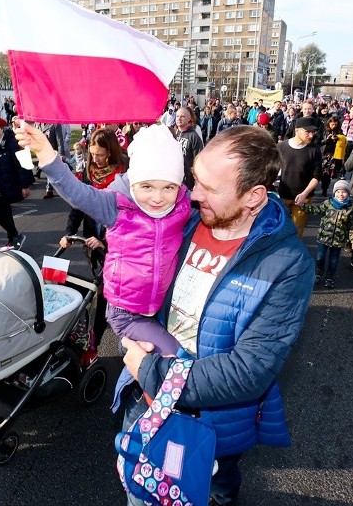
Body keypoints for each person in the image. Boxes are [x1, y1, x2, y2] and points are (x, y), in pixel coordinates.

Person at [116, 125, 314, 505]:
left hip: (208, 424)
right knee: (141, 492)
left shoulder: (287, 265)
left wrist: (151, 371)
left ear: (253, 197)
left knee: (209, 490)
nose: (192, 194)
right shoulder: (184, 220)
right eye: (194, 180)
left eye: (209, 187)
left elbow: (248, 370)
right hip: (144, 401)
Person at [18, 122, 189, 356]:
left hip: (160, 306)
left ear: (179, 186)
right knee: (175, 356)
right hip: (126, 312)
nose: (158, 197)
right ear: (133, 181)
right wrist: (46, 154)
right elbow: (77, 194)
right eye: (147, 186)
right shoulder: (117, 205)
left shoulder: (183, 205)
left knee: (149, 360)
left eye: (169, 187)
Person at [59, 129, 128, 351]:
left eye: (101, 155)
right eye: (93, 154)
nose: (96, 159)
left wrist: (106, 244)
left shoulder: (123, 174)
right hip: (91, 239)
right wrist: (69, 232)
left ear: (111, 151)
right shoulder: (88, 173)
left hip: (116, 243)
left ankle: (94, 342)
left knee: (102, 292)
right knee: (98, 283)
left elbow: (129, 218)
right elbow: (78, 207)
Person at [0, 115, 33, 250]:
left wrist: (24, 185)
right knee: (6, 213)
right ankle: (13, 239)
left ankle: (16, 235)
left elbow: (21, 163)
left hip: (7, 182)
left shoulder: (11, 141)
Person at [302, 179, 353, 289]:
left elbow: (351, 226)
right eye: (338, 191)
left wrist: (350, 241)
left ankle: (329, 278)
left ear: (348, 194)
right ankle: (318, 274)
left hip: (338, 240)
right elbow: (315, 210)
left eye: (344, 192)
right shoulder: (328, 204)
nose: (341, 194)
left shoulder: (351, 209)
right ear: (334, 192)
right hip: (323, 238)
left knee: (334, 261)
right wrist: (303, 206)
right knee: (320, 257)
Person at [276, 117, 322, 237]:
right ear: (297, 130)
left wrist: (304, 194)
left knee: (297, 232)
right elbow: (273, 169)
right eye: (307, 132)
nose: (311, 135)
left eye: (313, 132)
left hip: (304, 198)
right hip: (283, 195)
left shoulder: (315, 150)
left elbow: (317, 176)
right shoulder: (281, 147)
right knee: (279, 229)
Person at [175, 107, 204, 191]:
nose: (179, 119)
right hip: (175, 179)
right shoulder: (174, 134)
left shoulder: (193, 136)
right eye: (177, 116)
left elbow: (199, 160)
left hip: (188, 182)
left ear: (189, 119)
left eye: (182, 116)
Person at [319, 116, 347, 197]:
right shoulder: (324, 131)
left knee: (327, 174)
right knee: (320, 173)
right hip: (323, 154)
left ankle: (325, 189)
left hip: (333, 155)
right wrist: (326, 140)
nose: (333, 126)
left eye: (335, 124)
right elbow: (319, 142)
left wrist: (337, 138)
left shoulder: (339, 132)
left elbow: (343, 142)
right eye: (332, 124)